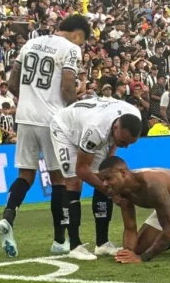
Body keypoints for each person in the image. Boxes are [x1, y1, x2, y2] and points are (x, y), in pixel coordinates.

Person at [0, 15, 89, 258]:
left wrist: (30, 100)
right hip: (52, 120)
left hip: (24, 117)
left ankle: (9, 214)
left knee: (25, 175)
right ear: (78, 34)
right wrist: (75, 109)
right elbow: (67, 88)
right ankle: (60, 240)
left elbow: (12, 83)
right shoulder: (70, 49)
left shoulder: (30, 43)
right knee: (59, 179)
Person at [49, 97, 142, 260]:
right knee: (73, 182)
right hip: (65, 130)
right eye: (123, 141)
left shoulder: (134, 116)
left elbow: (114, 144)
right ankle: (75, 245)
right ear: (115, 127)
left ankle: (102, 243)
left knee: (105, 176)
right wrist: (111, 193)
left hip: (90, 127)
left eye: (129, 143)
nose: (125, 146)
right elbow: (81, 170)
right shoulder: (96, 130)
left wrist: (108, 172)